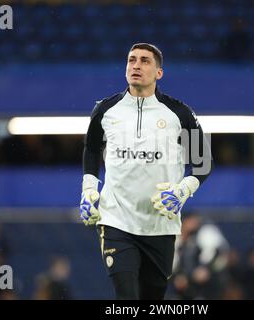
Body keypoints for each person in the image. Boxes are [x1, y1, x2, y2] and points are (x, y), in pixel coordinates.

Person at [79, 43, 213, 300]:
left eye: (144, 61)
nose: (136, 65)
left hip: (161, 225)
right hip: (116, 220)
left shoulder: (180, 113)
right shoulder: (105, 110)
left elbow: (203, 161)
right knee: (126, 297)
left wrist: (183, 191)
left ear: (159, 73)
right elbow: (92, 150)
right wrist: (88, 189)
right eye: (131, 60)